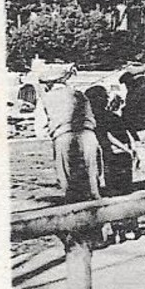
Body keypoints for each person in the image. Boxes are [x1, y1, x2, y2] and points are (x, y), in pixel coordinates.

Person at [37, 62, 103, 202]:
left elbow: (40, 127)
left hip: (63, 137)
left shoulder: (45, 99)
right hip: (89, 135)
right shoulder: (79, 95)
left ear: (49, 84)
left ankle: (73, 208)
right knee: (92, 178)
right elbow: (91, 117)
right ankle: (97, 208)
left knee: (68, 180)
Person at [85, 84, 136, 196]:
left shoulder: (95, 116)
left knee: (117, 185)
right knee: (122, 186)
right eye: (105, 96)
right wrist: (127, 150)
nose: (107, 98)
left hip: (116, 151)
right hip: (117, 151)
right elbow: (108, 136)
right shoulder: (102, 116)